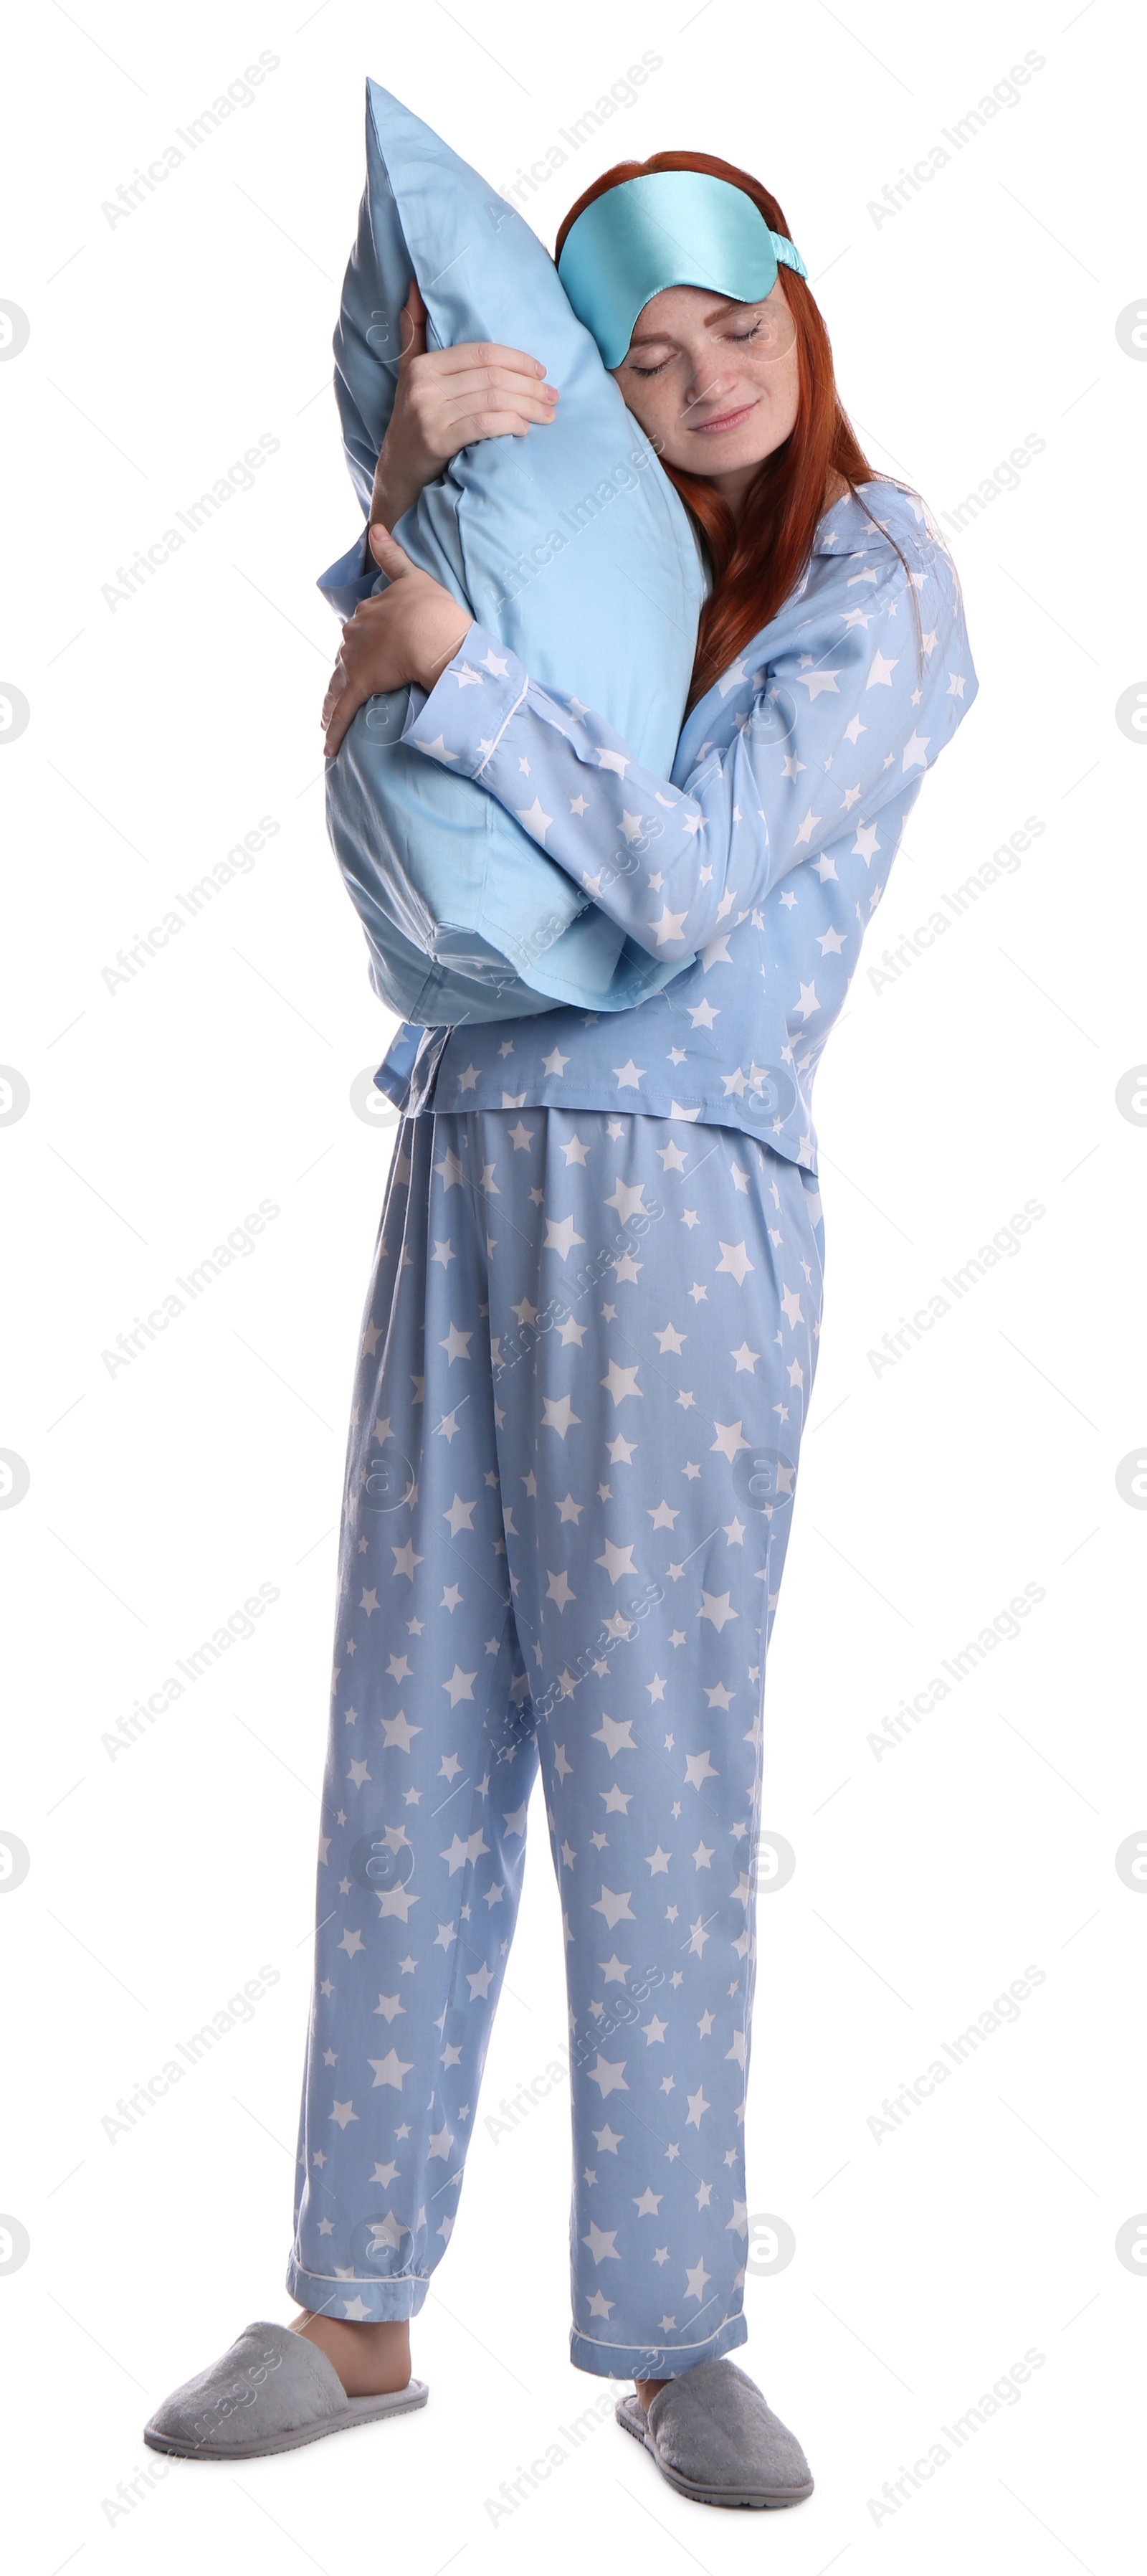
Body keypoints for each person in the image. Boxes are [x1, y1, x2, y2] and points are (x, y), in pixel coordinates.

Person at [143, 151, 976, 2509]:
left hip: (685, 1202)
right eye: (645, 353)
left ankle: (673, 2323)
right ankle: (354, 2305)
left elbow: (696, 876)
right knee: (400, 1751)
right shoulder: (581, 575)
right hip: (466, 1165)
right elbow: (373, 780)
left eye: (735, 322)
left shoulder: (882, 579)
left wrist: (462, 671)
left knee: (653, 1765)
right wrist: (407, 508)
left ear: (801, 317)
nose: (705, 377)